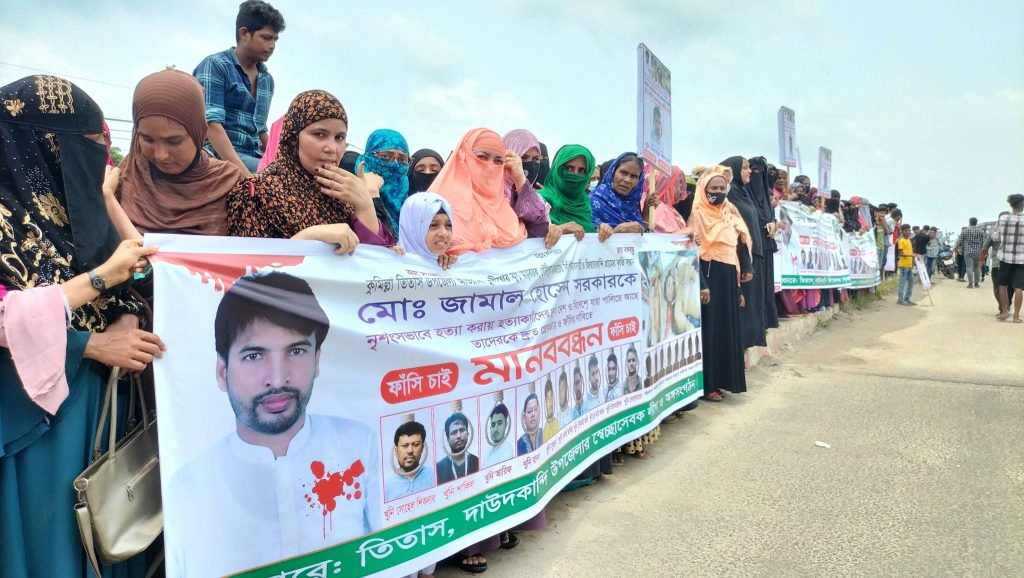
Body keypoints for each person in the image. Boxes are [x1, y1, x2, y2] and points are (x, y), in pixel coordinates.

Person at [1, 75, 167, 578]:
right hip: (35, 426)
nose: (98, 159)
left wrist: (124, 313)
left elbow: (136, 276)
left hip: (97, 413)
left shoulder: (72, 210)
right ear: (43, 146)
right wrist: (89, 341)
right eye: (90, 147)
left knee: (108, 538)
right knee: (51, 547)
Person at [166, 271, 381, 578]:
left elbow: (401, 554)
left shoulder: (360, 444)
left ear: (317, 360)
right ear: (221, 371)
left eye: (296, 351)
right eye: (255, 356)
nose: (278, 379)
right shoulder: (187, 487)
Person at [226, 90, 395, 251]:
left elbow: (374, 269)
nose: (332, 148)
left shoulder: (342, 194)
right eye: (319, 134)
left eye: (340, 138)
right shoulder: (256, 192)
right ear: (293, 137)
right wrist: (309, 236)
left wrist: (365, 205)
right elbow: (248, 272)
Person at [108, 68, 244, 238]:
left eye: (174, 141)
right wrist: (107, 198)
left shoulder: (228, 182)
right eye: (148, 139)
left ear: (198, 133)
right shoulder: (127, 175)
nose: (160, 155)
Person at [193, 0, 285, 174]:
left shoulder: (266, 80)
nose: (272, 45)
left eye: (275, 39)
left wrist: (283, 159)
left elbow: (260, 129)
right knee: (277, 179)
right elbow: (212, 125)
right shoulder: (216, 66)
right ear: (244, 33)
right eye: (266, 37)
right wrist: (247, 177)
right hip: (219, 154)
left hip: (255, 155)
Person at [689, 164, 752, 401]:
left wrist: (738, 288)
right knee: (711, 331)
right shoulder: (697, 214)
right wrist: (702, 283)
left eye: (722, 188)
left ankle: (724, 381)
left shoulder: (728, 214)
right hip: (708, 275)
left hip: (728, 277)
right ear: (704, 189)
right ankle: (708, 385)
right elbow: (692, 252)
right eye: (713, 187)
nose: (718, 192)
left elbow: (732, 252)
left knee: (726, 329)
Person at [430, 128, 528, 255]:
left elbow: (541, 228)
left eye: (498, 161)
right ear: (463, 155)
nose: (489, 165)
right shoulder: (438, 202)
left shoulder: (505, 206)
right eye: (482, 157)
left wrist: (520, 180)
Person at [720, 156, 766, 348]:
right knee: (743, 303)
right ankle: (741, 342)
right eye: (745, 168)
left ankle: (752, 338)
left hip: (754, 253)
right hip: (741, 256)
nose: (749, 172)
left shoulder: (745, 194)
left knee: (754, 302)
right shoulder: (730, 196)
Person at [501, 129, 558, 244]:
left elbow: (541, 228)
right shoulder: (489, 196)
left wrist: (521, 182)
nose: (531, 164)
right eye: (523, 157)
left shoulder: (537, 200)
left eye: (536, 159)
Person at [356, 129, 410, 236]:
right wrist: (372, 195)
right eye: (386, 156)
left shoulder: (410, 209)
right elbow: (378, 240)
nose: (395, 164)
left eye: (402, 159)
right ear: (368, 156)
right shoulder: (346, 194)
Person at [538, 144, 597, 239]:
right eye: (569, 168)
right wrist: (559, 230)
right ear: (558, 168)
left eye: (581, 170)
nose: (575, 175)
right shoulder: (540, 200)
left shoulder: (584, 203)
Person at [590, 153, 647, 241]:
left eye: (634, 176)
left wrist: (647, 208)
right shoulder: (594, 200)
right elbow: (586, 242)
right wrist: (618, 231)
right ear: (613, 172)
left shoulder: (632, 206)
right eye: (623, 173)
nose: (627, 180)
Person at [397, 192, 458, 269]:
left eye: (448, 225)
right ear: (413, 228)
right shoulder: (388, 264)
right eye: (433, 225)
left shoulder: (446, 265)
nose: (444, 233)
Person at [385, 415, 434, 501]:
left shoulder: (433, 475)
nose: (410, 450)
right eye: (405, 445)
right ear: (396, 451)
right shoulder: (386, 484)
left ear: (422, 448)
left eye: (415, 445)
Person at [993, 194, 1024, 322]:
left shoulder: (1003, 218)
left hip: (1004, 257)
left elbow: (996, 238)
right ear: (1022, 205)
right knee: (1018, 287)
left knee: (1003, 285)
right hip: (1022, 259)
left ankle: (1004, 312)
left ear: (1011, 204)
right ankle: (1016, 316)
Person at [435, 409, 479, 483]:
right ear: (447, 439)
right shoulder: (439, 468)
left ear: (468, 433)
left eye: (462, 430)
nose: (459, 436)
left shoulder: (477, 462)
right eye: (454, 432)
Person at [652, 165, 688, 233]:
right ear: (666, 185)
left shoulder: (668, 208)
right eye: (676, 184)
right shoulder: (656, 205)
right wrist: (686, 232)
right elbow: (664, 237)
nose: (680, 190)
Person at [482, 393, 514, 467]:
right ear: (490, 428)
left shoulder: (507, 449)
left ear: (506, 425)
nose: (495, 429)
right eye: (493, 425)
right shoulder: (488, 452)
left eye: (499, 424)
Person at [956, 217, 986, 288]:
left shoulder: (965, 231)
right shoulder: (981, 231)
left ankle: (970, 283)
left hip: (968, 251)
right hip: (978, 252)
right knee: (977, 267)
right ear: (976, 222)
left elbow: (960, 242)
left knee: (969, 267)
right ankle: (976, 283)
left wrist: (960, 247)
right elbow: (983, 242)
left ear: (969, 222)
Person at [516, 389, 543, 456]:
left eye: (535, 410)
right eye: (530, 411)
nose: (533, 414)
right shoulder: (520, 443)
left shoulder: (545, 433)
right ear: (524, 418)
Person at [896, 224, 916, 305]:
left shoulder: (909, 240)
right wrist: (912, 255)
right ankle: (900, 300)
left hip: (909, 265)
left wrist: (913, 258)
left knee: (911, 282)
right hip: (903, 265)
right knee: (902, 282)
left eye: (909, 230)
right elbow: (901, 253)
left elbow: (909, 252)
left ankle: (907, 298)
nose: (908, 232)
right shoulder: (902, 241)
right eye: (906, 231)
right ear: (902, 231)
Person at [542, 377, 559, 442]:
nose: (550, 402)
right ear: (545, 402)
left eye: (551, 397)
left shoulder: (557, 423)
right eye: (548, 398)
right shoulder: (544, 430)